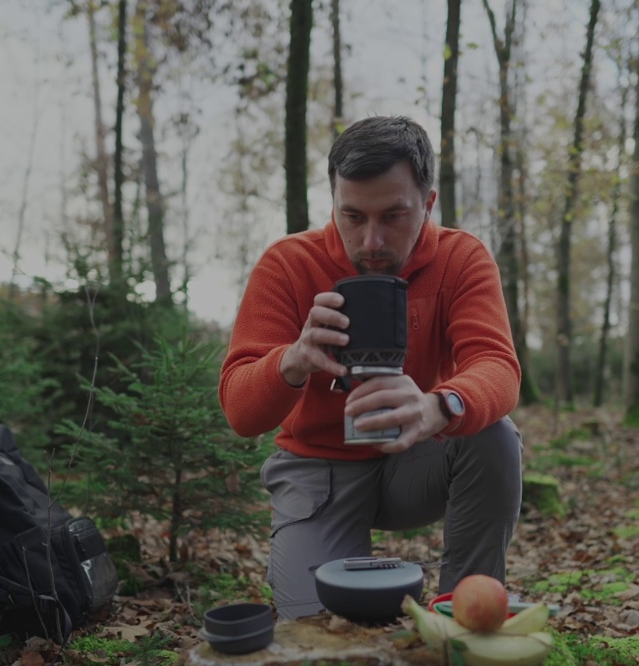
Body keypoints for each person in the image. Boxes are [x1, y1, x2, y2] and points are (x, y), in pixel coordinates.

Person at [219, 115, 523, 620]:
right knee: (318, 627)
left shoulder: (460, 259)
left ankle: (466, 614)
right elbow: (239, 412)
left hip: (414, 456)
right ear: (333, 203)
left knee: (494, 435)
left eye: (394, 216)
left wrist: (438, 406)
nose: (372, 242)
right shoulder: (288, 264)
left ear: (427, 204)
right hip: (317, 471)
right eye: (353, 217)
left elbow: (496, 364)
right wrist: (291, 362)